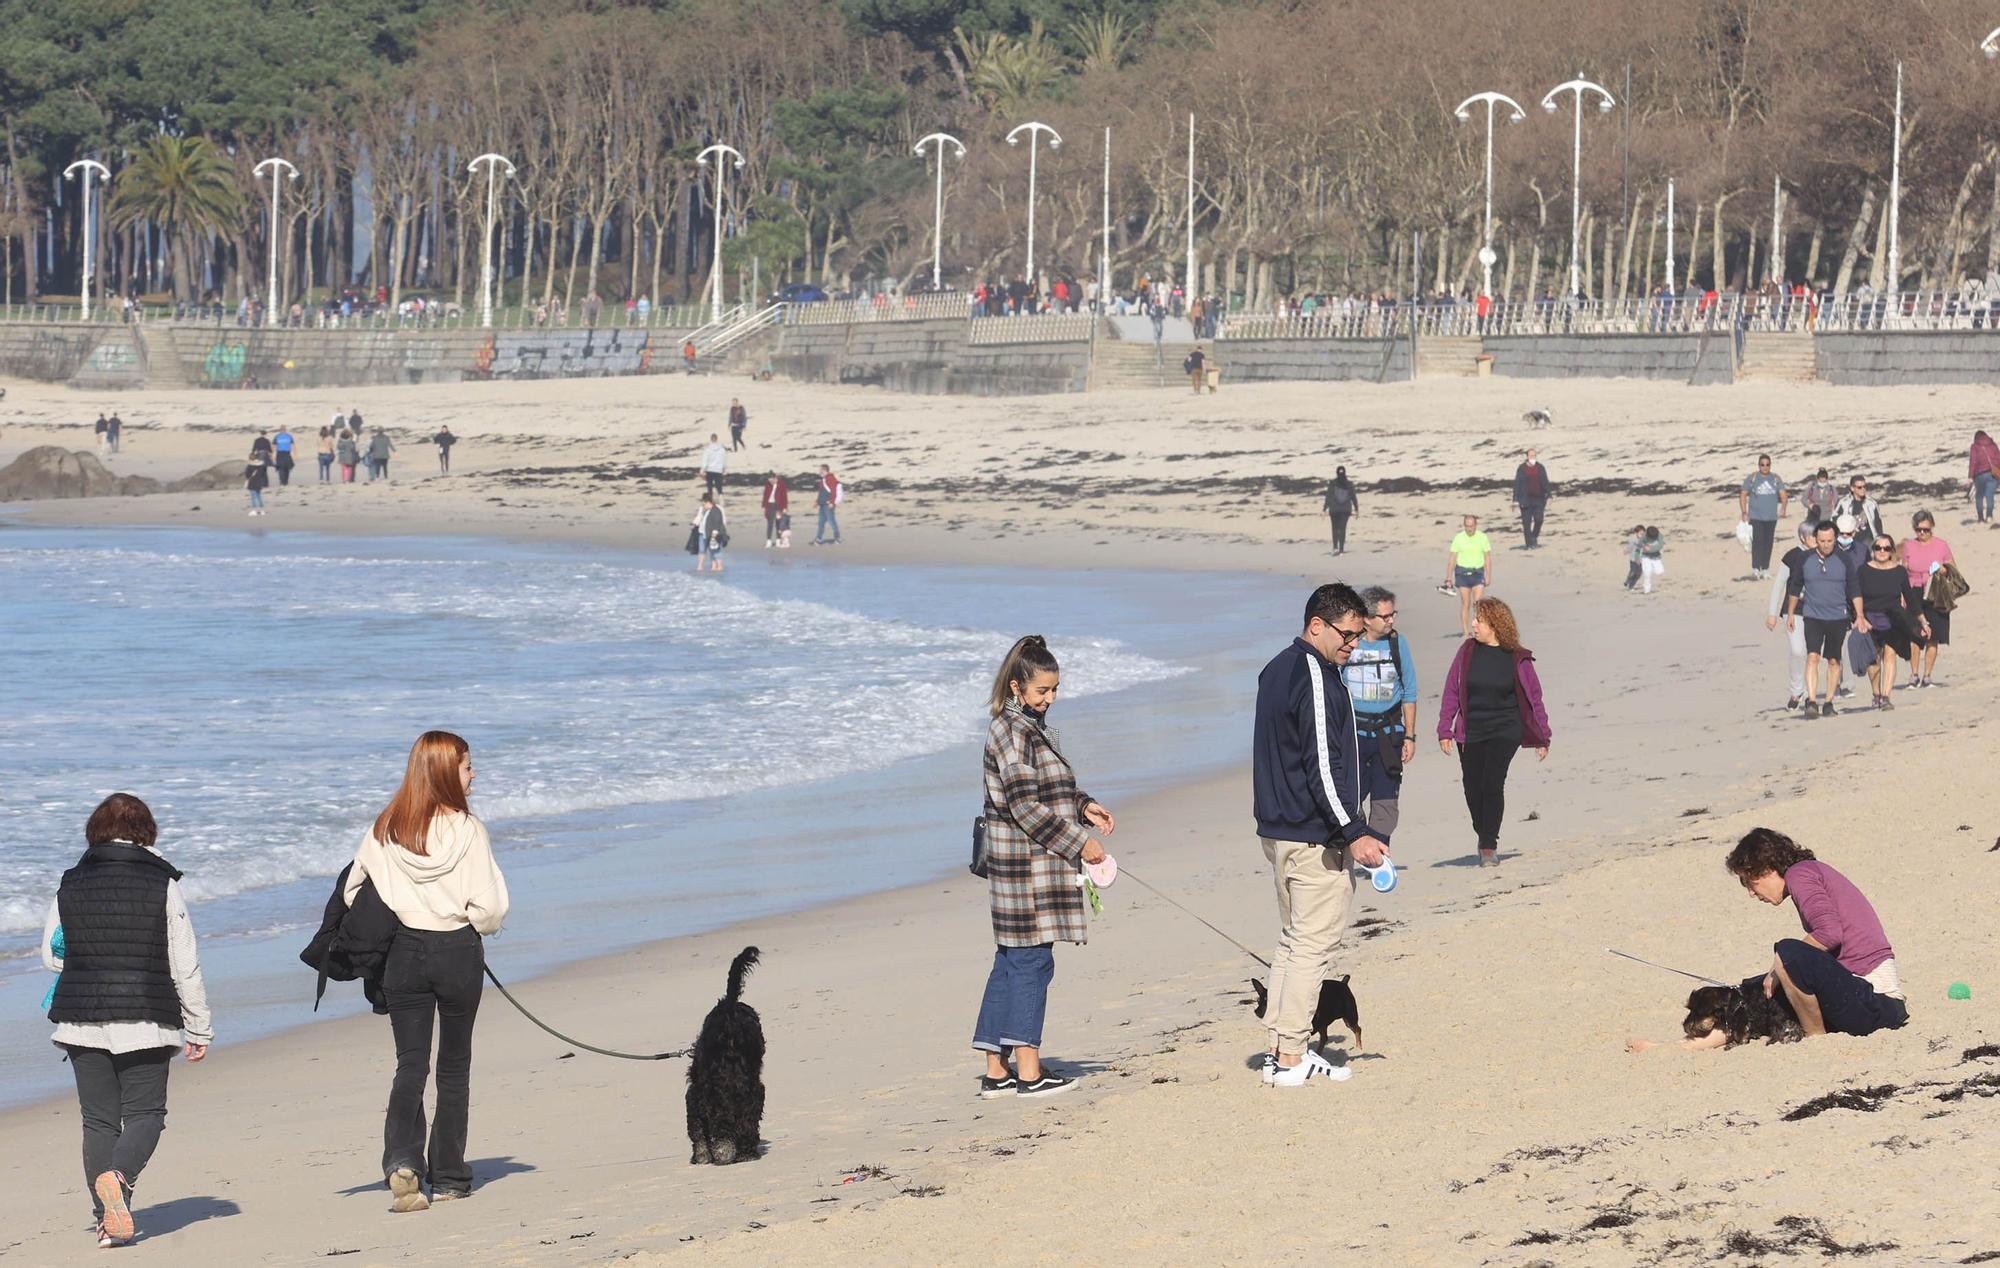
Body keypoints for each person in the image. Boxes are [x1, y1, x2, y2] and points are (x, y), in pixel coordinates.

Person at [344, 731, 508, 1212]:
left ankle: (402, 1162)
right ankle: (452, 1176)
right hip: (457, 950)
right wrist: (474, 923)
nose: (473, 774)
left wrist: (401, 908)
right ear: (442, 772)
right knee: (454, 1066)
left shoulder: (387, 826)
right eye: (467, 766)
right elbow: (492, 907)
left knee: (410, 1064)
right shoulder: (469, 831)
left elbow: (354, 891)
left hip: (405, 955)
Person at [40, 793, 212, 1250]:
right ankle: (119, 1178)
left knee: (98, 1123)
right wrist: (199, 1025)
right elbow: (184, 962)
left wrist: (92, 967)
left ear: (94, 831)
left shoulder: (70, 882)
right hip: (146, 1017)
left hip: (80, 1019)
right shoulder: (162, 883)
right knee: (146, 1114)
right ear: (147, 832)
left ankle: (106, 1223)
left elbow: (51, 957)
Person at [1251, 583, 1384, 1086]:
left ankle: (1279, 1048)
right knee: (1311, 947)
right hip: (1312, 833)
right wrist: (1353, 831)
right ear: (1317, 625)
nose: (1354, 645)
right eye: (1348, 635)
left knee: (1293, 942)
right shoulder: (1310, 672)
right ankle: (1289, 1058)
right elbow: (1320, 764)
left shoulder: (1278, 667)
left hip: (1282, 828)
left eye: (1359, 636)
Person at [972, 636, 1116, 1099]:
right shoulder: (1011, 730)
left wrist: (1085, 806)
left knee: (1012, 961)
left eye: (1054, 690)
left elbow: (1050, 790)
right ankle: (1029, 1071)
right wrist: (1082, 844)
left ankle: (997, 1070)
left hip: (1029, 863)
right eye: (1042, 692)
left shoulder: (1028, 727)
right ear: (1017, 687)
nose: (1050, 699)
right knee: (1031, 960)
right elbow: (1024, 806)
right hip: (1024, 868)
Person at [1724, 829, 1906, 1038]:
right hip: (1862, 995)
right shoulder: (1807, 873)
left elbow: (1829, 934)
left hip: (1877, 1001)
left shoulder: (1799, 875)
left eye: (1750, 882)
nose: (1751, 893)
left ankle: (1815, 1036)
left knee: (1787, 953)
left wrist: (1778, 967)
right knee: (1757, 986)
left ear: (1768, 868)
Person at [1436, 597, 1551, 867]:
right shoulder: (1467, 652)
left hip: (1506, 728)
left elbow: (1535, 698)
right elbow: (1452, 690)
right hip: (1471, 730)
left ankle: (1489, 845)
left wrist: (1542, 736)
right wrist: (1445, 729)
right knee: (1472, 787)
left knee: (1492, 783)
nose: (1473, 624)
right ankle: (1483, 831)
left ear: (1495, 625)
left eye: (1479, 620)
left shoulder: (1517, 658)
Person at [1345, 587, 1416, 845]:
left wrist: (1410, 735)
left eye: (1392, 614)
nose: (1391, 620)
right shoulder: (1348, 645)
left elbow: (1410, 691)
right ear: (1366, 617)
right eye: (1385, 616)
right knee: (1351, 798)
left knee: (1386, 800)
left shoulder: (1398, 644)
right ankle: (1356, 845)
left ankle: (1378, 853)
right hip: (1352, 736)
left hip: (1389, 735)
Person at [1785, 519, 1868, 718]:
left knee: (1833, 660)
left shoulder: (1843, 560)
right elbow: (1795, 587)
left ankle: (1829, 701)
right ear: (1815, 539)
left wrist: (1860, 615)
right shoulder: (1805, 559)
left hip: (1838, 617)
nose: (1826, 545)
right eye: (1822, 541)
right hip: (1812, 616)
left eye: (1830, 540)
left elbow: (1854, 587)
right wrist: (1790, 614)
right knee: (1812, 657)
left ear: (1835, 538)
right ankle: (1812, 701)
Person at [1859, 533, 1928, 707]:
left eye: (1886, 548)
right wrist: (1858, 617)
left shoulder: (1899, 572)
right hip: (1870, 617)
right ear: (1873, 550)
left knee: (1890, 654)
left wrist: (1923, 621)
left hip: (1894, 617)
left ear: (1891, 551)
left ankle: (1886, 697)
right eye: (1878, 548)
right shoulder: (1863, 570)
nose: (1882, 551)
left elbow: (1910, 598)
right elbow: (1856, 596)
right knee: (1873, 659)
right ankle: (1876, 693)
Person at [1767, 521, 1817, 710]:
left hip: (1816, 611)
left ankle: (1808, 692)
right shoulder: (1792, 556)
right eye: (1813, 536)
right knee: (1797, 651)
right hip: (1793, 611)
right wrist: (1772, 613)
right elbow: (1779, 584)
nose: (1817, 540)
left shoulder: (1823, 555)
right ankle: (1796, 691)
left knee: (1812, 653)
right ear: (1803, 537)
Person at [1902, 511, 1954, 687]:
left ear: (1931, 527)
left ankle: (1928, 675)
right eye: (1918, 530)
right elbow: (1903, 572)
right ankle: (1914, 674)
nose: (1922, 533)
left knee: (1934, 635)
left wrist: (1942, 569)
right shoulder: (1909, 546)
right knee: (1914, 634)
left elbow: (1952, 568)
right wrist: (1902, 595)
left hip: (1935, 592)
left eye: (1925, 529)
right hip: (1914, 591)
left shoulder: (1941, 545)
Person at [1738, 454, 1789, 579]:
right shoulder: (1753, 478)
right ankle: (1756, 568)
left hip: (1771, 517)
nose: (1765, 467)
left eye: (1767, 464)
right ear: (1759, 465)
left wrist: (1783, 508)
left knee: (1768, 542)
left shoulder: (1776, 479)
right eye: (1762, 464)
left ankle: (1765, 568)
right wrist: (1744, 512)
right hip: (1756, 516)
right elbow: (1743, 494)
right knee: (1758, 542)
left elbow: (1783, 495)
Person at [1445, 514, 1493, 638]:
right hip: (1462, 573)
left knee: (1478, 604)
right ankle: (1466, 632)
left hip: (1478, 573)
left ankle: (1477, 630)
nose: (1469, 529)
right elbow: (1452, 559)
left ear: (1476, 525)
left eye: (1471, 526)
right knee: (1465, 603)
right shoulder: (1458, 538)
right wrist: (1448, 578)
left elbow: (1487, 557)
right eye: (1467, 526)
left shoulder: (1482, 537)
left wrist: (1488, 575)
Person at [1511, 449, 1553, 549]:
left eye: (1534, 456)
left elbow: (1545, 481)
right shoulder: (1522, 468)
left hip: (1538, 499)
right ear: (1527, 456)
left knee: (1539, 520)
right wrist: (1515, 500)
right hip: (1525, 499)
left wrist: (1549, 494)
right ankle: (1529, 544)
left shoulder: (1540, 467)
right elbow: (1517, 484)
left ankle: (1534, 536)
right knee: (1526, 523)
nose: (1532, 458)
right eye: (1531, 456)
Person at [1834, 475, 1883, 541]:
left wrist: (1879, 540)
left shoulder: (1871, 503)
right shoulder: (1844, 503)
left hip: (1868, 541)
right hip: (1849, 540)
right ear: (1852, 488)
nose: (1863, 489)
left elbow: (1878, 524)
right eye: (1859, 487)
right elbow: (1835, 520)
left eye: (1864, 487)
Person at [1323, 467, 1358, 556]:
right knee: (1342, 529)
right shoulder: (1349, 484)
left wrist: (1324, 508)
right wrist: (1356, 509)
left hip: (1334, 509)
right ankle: (1341, 550)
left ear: (1336, 473)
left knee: (1335, 528)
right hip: (1345, 509)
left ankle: (1335, 548)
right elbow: (1353, 497)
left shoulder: (1332, 483)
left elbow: (1329, 496)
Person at [1969, 430, 2000, 523]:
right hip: (1993, 473)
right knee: (1990, 495)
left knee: (1979, 496)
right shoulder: (1992, 444)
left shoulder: (1975, 446)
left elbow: (1973, 461)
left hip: (1980, 474)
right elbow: (1998, 458)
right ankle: (1989, 516)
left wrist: (1971, 475)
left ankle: (1981, 518)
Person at [693, 492, 727, 573]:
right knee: (704, 550)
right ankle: (707, 566)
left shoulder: (716, 510)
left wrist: (715, 533)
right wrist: (695, 523)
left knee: (715, 550)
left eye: (704, 503)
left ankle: (719, 566)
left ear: (708, 502)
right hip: (703, 532)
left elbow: (718, 522)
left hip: (712, 534)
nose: (703, 505)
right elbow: (700, 517)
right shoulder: (704, 509)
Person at [814, 464, 842, 545]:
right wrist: (817, 502)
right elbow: (821, 492)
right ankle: (819, 539)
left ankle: (837, 538)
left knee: (831, 521)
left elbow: (833, 491)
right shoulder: (823, 480)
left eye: (821, 470)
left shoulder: (830, 478)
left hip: (828, 504)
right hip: (822, 504)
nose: (819, 472)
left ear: (825, 470)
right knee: (821, 523)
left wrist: (832, 502)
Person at [761, 470, 789, 548]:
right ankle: (768, 541)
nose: (770, 482)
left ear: (774, 478)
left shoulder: (781, 485)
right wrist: (763, 506)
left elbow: (784, 497)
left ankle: (778, 541)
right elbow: (765, 496)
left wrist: (785, 507)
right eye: (769, 480)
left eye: (771, 480)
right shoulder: (767, 485)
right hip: (769, 505)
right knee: (770, 524)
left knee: (778, 524)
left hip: (778, 506)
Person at [1638, 526, 1665, 594]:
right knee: (1647, 574)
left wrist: (1651, 549)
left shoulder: (1660, 536)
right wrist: (1644, 546)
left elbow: (1660, 545)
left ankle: (1651, 569)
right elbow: (1639, 543)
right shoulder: (1644, 536)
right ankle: (1647, 590)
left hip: (1656, 557)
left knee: (1660, 571)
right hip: (1646, 556)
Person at [1621, 524, 1645, 591]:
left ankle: (1631, 586)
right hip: (1633, 559)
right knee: (1633, 572)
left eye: (1643, 534)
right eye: (1641, 534)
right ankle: (1627, 581)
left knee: (1638, 574)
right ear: (1636, 533)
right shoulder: (1633, 540)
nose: (1642, 535)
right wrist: (1626, 551)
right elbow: (1630, 547)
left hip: (1640, 560)